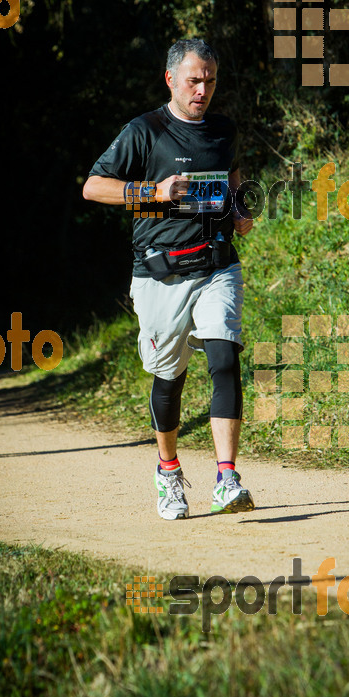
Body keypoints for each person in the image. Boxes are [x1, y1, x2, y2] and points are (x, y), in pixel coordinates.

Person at [83, 38, 254, 520]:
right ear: (171, 80)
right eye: (194, 80)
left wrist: (241, 210)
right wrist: (151, 192)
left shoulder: (223, 129)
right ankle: (168, 471)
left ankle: (226, 477)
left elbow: (233, 176)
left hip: (217, 265)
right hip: (159, 276)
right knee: (169, 378)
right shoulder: (144, 131)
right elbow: (93, 186)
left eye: (211, 81)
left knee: (224, 356)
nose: (203, 90)